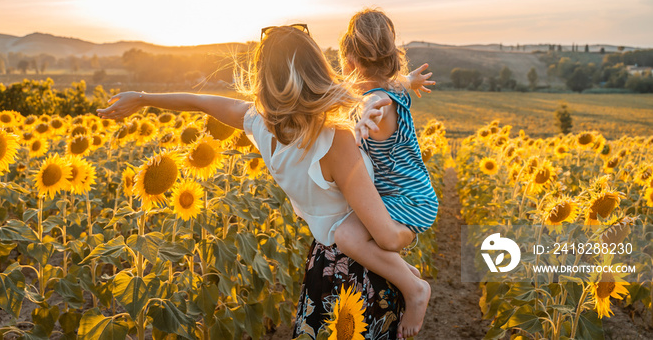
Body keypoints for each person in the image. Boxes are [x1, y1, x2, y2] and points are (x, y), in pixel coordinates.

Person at [97, 25, 422, 338]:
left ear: (266, 80)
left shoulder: (259, 124)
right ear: (317, 71)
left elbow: (199, 101)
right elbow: (385, 235)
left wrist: (141, 98)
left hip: (322, 266)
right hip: (364, 273)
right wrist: (412, 240)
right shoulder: (335, 140)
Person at [332, 8, 439, 338]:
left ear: (349, 58)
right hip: (409, 193)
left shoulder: (377, 100)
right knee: (354, 232)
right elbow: (390, 86)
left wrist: (363, 118)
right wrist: (410, 80)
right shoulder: (394, 88)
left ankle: (416, 291)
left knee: (346, 236)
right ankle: (406, 271)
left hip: (404, 198)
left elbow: (374, 102)